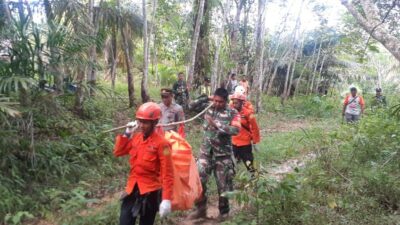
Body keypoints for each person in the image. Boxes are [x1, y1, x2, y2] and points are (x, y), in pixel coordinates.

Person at [113, 102, 174, 225]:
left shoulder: (163, 144)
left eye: (145, 122)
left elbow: (168, 174)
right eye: (140, 121)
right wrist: (127, 133)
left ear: (155, 123)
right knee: (124, 222)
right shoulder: (136, 138)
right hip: (132, 189)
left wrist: (166, 199)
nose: (141, 125)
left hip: (150, 191)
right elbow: (118, 152)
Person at [190, 88, 241, 220]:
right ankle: (201, 209)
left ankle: (223, 213)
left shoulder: (233, 112)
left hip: (222, 156)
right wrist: (207, 98)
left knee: (223, 186)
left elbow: (236, 130)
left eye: (221, 102)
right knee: (198, 181)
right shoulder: (208, 108)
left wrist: (217, 124)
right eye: (216, 100)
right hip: (205, 153)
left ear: (226, 101)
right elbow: (190, 106)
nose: (217, 104)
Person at [231, 93, 260, 176]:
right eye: (233, 102)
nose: (234, 104)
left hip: (245, 143)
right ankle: (231, 181)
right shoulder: (231, 111)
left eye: (236, 103)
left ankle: (253, 178)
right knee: (231, 163)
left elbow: (255, 128)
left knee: (248, 163)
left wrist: (255, 141)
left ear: (241, 102)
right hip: (234, 142)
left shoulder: (248, 114)